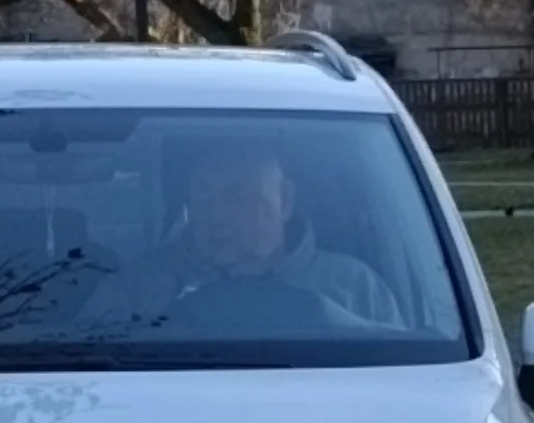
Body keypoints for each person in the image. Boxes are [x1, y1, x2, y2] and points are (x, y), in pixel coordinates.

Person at [87, 140, 402, 334]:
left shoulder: (354, 288)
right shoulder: (137, 289)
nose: (218, 216)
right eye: (203, 199)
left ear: (286, 201)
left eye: (239, 199)